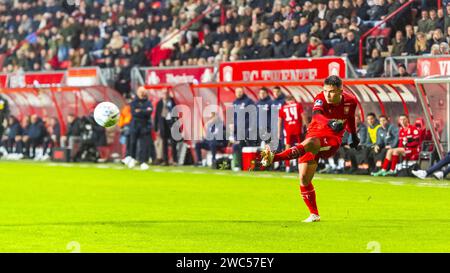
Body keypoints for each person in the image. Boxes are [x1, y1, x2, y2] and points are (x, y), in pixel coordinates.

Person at [257, 76, 359, 222]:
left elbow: (350, 118)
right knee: (304, 179)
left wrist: (354, 136)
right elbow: (317, 116)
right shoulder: (320, 98)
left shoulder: (351, 101)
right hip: (314, 133)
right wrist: (330, 122)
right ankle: (314, 215)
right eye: (325, 91)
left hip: (331, 139)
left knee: (311, 142)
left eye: (331, 92)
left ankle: (275, 158)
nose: (327, 95)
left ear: (340, 91)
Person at [278, 95, 308, 172]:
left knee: (287, 147)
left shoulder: (282, 108)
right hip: (297, 128)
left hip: (288, 130)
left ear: (286, 101)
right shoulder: (298, 105)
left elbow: (279, 121)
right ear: (294, 99)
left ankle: (287, 166)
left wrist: (279, 132)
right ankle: (299, 165)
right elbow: (303, 116)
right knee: (300, 146)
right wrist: (307, 126)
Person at [128, 87, 155, 170]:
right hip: (135, 125)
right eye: (141, 92)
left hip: (145, 126)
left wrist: (140, 111)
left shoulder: (148, 102)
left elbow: (150, 112)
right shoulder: (133, 102)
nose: (142, 93)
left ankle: (143, 161)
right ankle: (132, 159)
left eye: (144, 92)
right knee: (133, 143)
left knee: (144, 145)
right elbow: (134, 113)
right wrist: (144, 111)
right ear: (137, 93)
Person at [230, 87, 256, 170]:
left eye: (240, 91)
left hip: (247, 129)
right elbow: (234, 117)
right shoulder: (234, 102)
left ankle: (249, 166)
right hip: (238, 130)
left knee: (247, 147)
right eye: (237, 92)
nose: (238, 93)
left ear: (243, 92)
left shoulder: (248, 101)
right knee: (236, 146)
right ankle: (239, 165)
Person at [155, 88, 178, 166]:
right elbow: (156, 116)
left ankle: (175, 160)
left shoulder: (173, 101)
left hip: (171, 124)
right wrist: (156, 127)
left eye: (166, 93)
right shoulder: (159, 103)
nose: (165, 95)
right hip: (163, 124)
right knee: (164, 144)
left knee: (173, 143)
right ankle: (166, 161)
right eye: (164, 93)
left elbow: (177, 112)